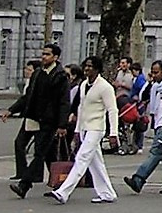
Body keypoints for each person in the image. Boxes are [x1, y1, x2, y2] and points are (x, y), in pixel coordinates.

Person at [47, 56, 120, 204]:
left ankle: (63, 192)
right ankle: (107, 193)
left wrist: (114, 133)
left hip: (97, 128)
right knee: (96, 163)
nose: (87, 69)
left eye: (90, 66)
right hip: (86, 127)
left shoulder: (105, 87)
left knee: (81, 158)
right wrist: (77, 130)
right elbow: (81, 108)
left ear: (98, 69)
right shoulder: (83, 85)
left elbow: (112, 110)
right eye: (85, 66)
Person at [4, 41, 70, 200]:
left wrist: (62, 124)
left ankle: (24, 184)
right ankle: (59, 184)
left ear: (55, 57)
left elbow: (64, 102)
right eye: (43, 53)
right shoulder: (38, 73)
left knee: (40, 152)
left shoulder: (60, 76)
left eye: (47, 54)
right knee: (44, 152)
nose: (44, 57)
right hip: (33, 117)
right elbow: (28, 96)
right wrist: (12, 110)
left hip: (49, 121)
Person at [124, 60, 162, 195]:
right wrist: (149, 82)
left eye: (156, 72)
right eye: (152, 72)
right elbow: (143, 95)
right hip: (159, 123)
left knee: (156, 152)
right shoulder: (156, 86)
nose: (154, 75)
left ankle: (139, 178)